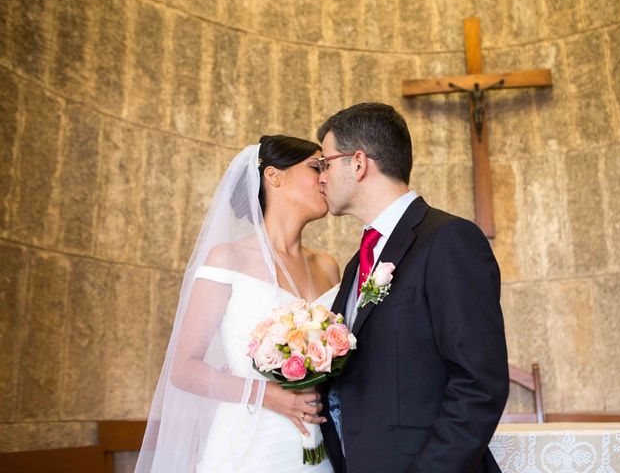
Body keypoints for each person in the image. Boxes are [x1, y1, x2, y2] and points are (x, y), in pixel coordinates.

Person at [316, 103, 509, 473]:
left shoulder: (449, 239)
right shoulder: (359, 262)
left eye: (326, 162)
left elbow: (479, 382)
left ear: (358, 163)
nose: (320, 177)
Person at [135, 135, 340, 472]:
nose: (325, 177)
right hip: (252, 444)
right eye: (316, 166)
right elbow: (184, 368)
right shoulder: (229, 258)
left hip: (318, 443)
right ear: (275, 177)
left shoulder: (327, 266)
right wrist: (273, 396)